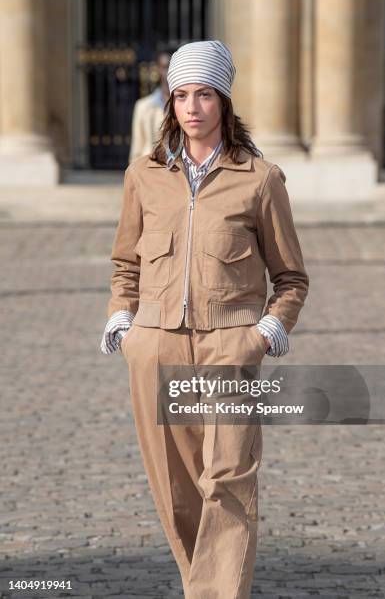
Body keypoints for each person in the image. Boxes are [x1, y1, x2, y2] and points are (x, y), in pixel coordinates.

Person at [100, 40, 309, 598]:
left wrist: (265, 332)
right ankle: (204, 584)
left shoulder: (260, 180)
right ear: (170, 103)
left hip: (228, 347)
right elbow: (127, 261)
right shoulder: (143, 176)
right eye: (182, 94)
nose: (192, 106)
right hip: (156, 345)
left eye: (205, 95)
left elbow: (291, 276)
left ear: (224, 103)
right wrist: (124, 319)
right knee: (175, 487)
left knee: (229, 478)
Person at [128, 46, 175, 162]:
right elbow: (136, 150)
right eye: (165, 67)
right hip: (149, 169)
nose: (169, 72)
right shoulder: (143, 106)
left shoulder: (188, 107)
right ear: (159, 69)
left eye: (172, 66)